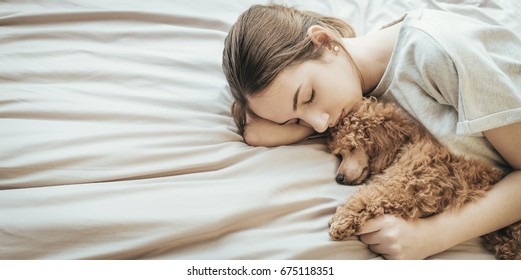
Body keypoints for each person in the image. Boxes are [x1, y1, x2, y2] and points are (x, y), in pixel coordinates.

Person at [222, 4, 521, 259]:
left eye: (309, 96)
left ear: (325, 41)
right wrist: (282, 121)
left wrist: (434, 236)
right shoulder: (348, 90)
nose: (320, 124)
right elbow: (258, 132)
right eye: (294, 121)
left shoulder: (435, 54)